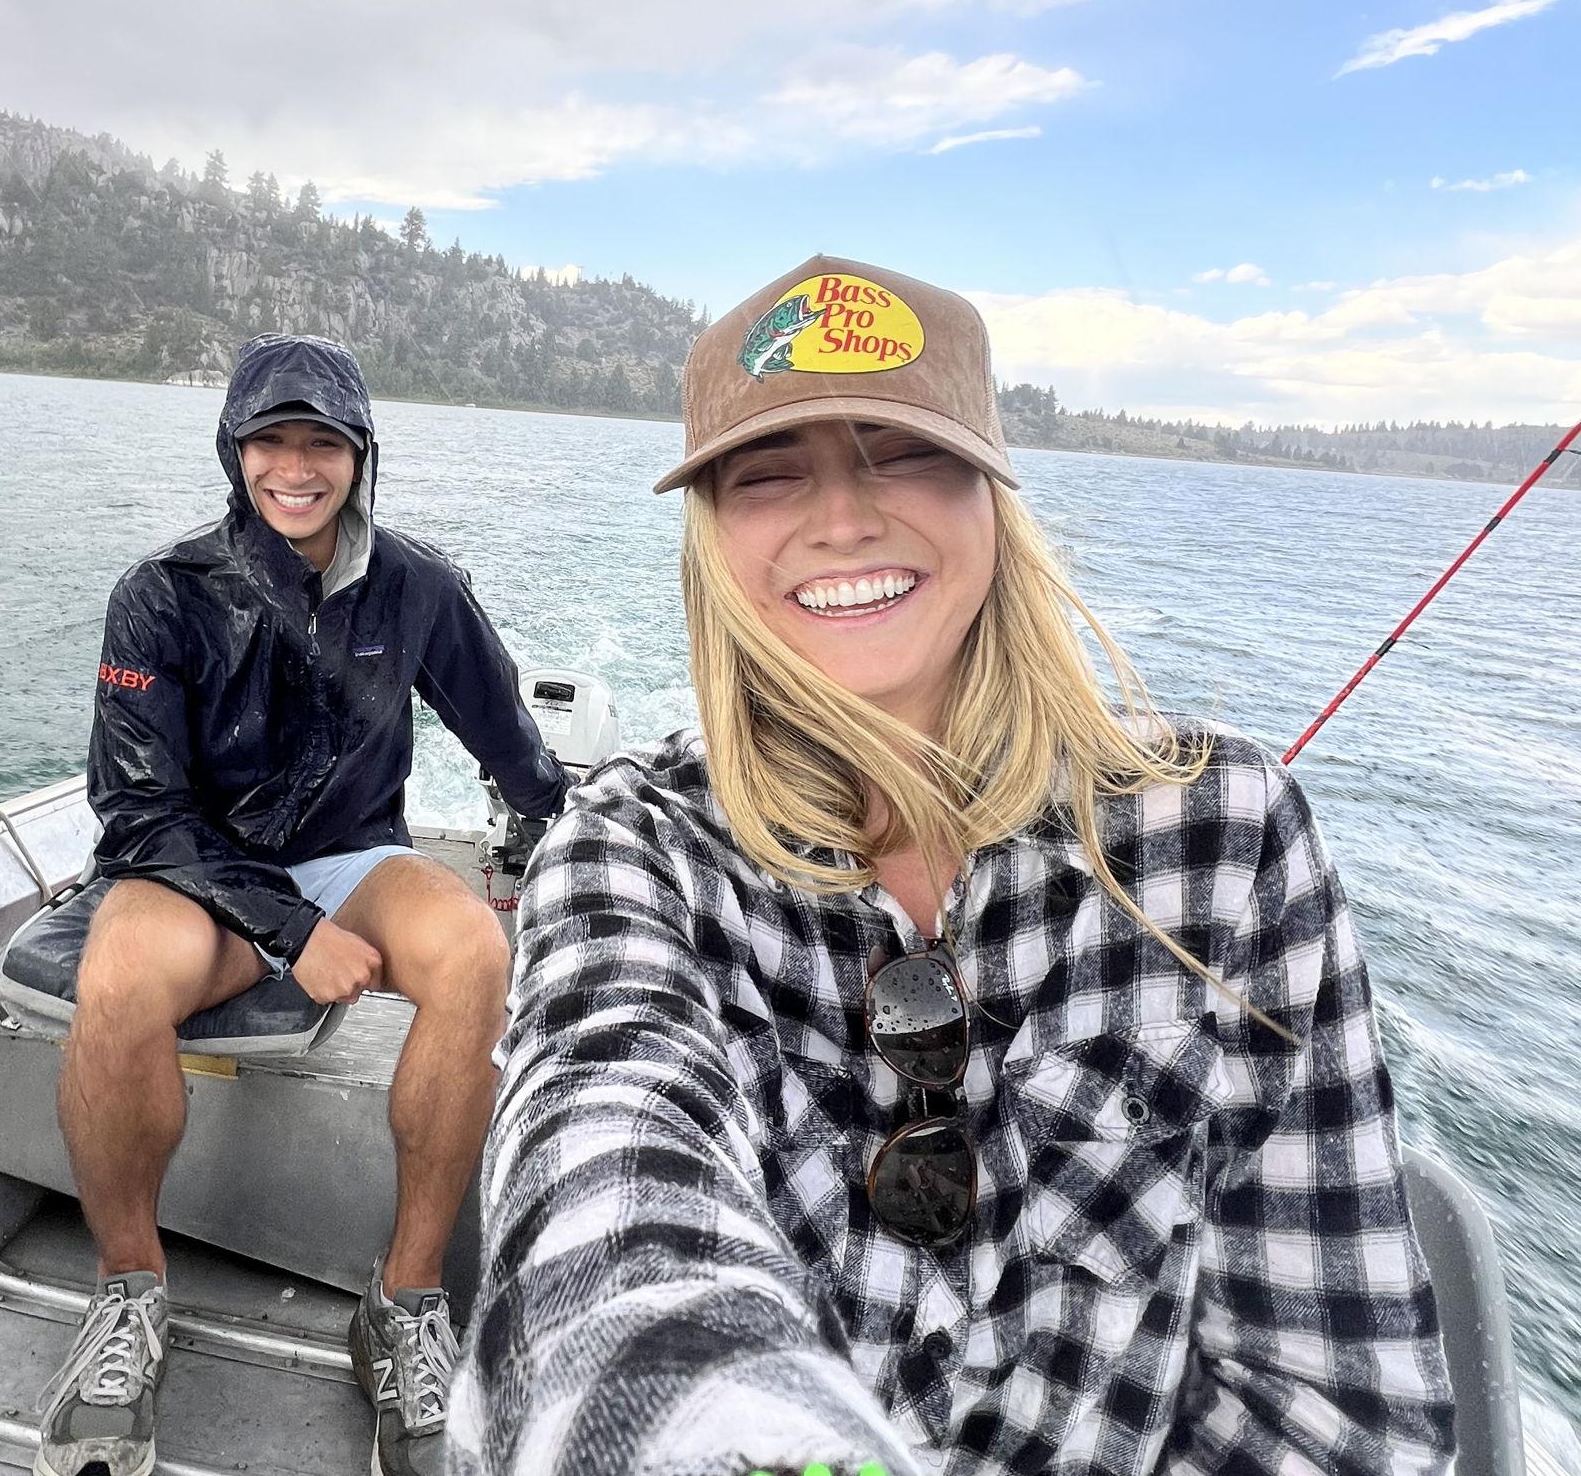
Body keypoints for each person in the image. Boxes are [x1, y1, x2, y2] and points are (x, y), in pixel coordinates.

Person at [449, 256, 1454, 1476]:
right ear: (711, 543)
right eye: (768, 476)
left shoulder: (1226, 837)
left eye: (902, 451)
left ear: (992, 493)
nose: (840, 516)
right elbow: (604, 1194)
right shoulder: (631, 853)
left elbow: (1328, 1401)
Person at [37, 332, 570, 1476]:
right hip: (191, 868)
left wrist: (569, 828)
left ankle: (405, 1298)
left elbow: (506, 738)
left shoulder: (420, 587)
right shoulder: (160, 595)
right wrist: (289, 932)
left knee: (475, 948)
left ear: (358, 453)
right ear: (232, 452)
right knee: (118, 977)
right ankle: (128, 1291)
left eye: (319, 440)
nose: (294, 464)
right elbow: (138, 815)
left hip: (346, 855)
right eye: (268, 439)